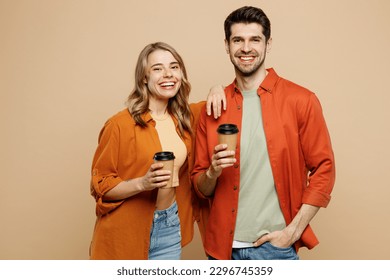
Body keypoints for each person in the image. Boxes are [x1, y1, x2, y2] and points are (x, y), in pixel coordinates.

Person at [191, 6, 336, 260]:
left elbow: (324, 169)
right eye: (238, 40)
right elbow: (201, 186)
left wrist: (292, 232)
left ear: (268, 44)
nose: (246, 48)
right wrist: (212, 171)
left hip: (274, 248)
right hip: (221, 250)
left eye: (255, 39)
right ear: (227, 45)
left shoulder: (301, 100)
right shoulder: (213, 107)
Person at [89, 42, 223, 259]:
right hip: (126, 230)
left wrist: (216, 87)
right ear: (144, 77)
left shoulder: (188, 117)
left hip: (170, 226)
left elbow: (227, 99)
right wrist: (142, 183)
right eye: (157, 69)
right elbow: (100, 186)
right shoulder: (119, 125)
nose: (168, 74)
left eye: (174, 67)